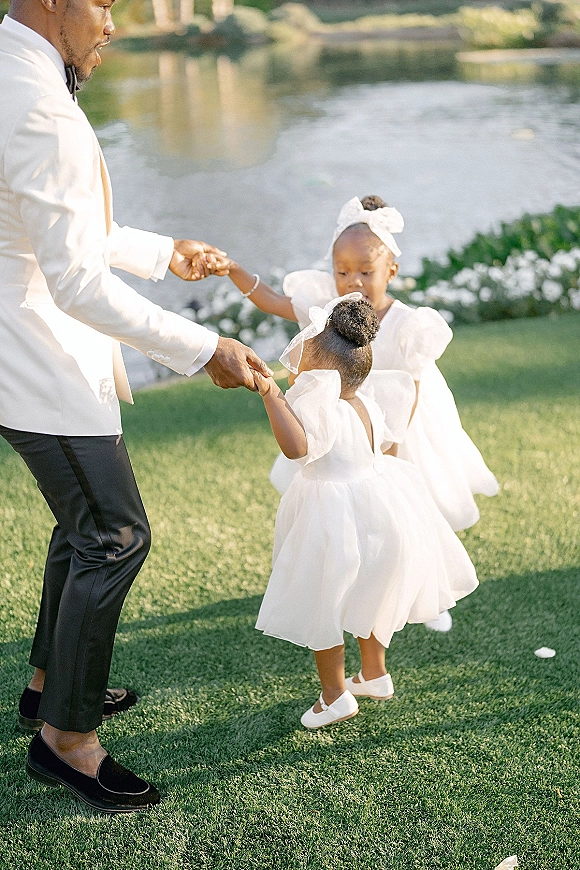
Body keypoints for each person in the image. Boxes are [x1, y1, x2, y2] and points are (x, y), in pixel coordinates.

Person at [0, 0, 271, 813]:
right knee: (115, 536)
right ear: (50, 2)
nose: (115, 21)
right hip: (36, 360)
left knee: (81, 528)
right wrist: (204, 349)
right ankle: (67, 742)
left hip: (23, 348)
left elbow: (53, 224)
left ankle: (49, 689)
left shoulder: (17, 72)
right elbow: (75, 278)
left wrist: (162, 253)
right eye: (106, 3)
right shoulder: (41, 105)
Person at [207, 194, 499, 632]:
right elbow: (269, 301)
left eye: (366, 271)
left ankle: (428, 588)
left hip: (398, 424)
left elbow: (412, 387)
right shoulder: (329, 307)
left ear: (391, 271)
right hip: (340, 426)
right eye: (342, 271)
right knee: (351, 510)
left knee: (415, 505)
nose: (352, 281)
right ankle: (358, 583)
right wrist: (232, 270)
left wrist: (393, 445)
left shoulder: (409, 323)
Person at [251, 295, 478, 728]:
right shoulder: (365, 401)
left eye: (303, 358)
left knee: (326, 600)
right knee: (371, 592)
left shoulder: (319, 401)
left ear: (320, 373)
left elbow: (297, 448)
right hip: (379, 505)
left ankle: (335, 696)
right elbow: (385, 447)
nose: (294, 365)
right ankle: (373, 673)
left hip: (331, 513)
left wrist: (269, 393)